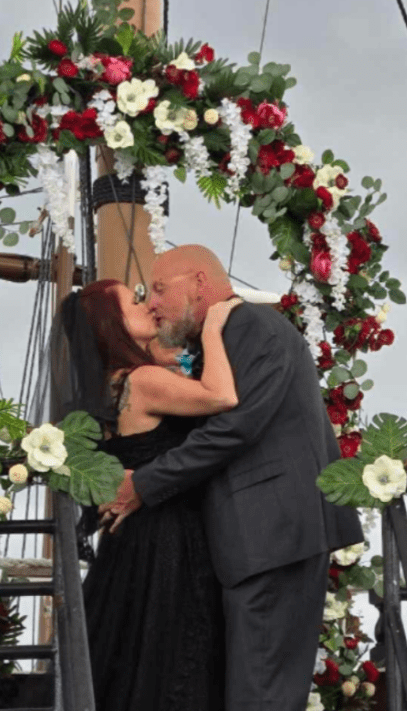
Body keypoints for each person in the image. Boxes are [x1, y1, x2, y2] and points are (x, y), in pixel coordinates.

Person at [101, 245, 364, 711]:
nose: (153, 303)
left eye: (160, 289)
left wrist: (142, 484)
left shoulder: (251, 327)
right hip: (260, 538)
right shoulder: (224, 338)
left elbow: (236, 425)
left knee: (258, 692)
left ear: (199, 283)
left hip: (271, 535)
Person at [59, 277, 242, 711]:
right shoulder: (142, 380)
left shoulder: (111, 386)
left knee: (132, 660)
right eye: (133, 302)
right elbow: (222, 395)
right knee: (176, 659)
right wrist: (214, 327)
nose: (147, 306)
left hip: (131, 542)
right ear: (112, 325)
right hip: (168, 538)